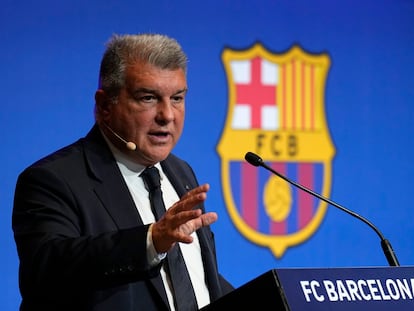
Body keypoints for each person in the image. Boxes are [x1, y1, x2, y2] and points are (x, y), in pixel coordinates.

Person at [12, 33, 233, 311]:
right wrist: (151, 241)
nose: (167, 115)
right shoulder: (53, 180)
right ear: (105, 106)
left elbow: (196, 280)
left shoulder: (180, 172)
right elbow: (48, 268)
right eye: (148, 98)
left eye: (177, 98)